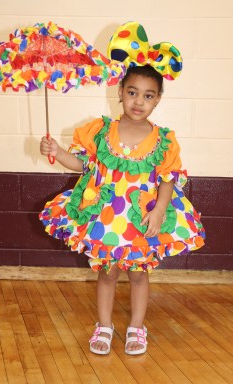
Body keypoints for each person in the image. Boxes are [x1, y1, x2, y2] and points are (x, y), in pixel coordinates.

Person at [39, 21, 205, 356]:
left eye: (148, 95)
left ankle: (136, 327)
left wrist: (160, 208)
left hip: (141, 219)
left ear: (158, 99)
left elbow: (169, 177)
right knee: (108, 273)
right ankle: (104, 325)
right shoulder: (100, 131)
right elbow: (84, 165)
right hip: (105, 219)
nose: (138, 102)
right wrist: (57, 153)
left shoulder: (163, 140)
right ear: (120, 92)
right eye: (132, 93)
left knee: (139, 275)